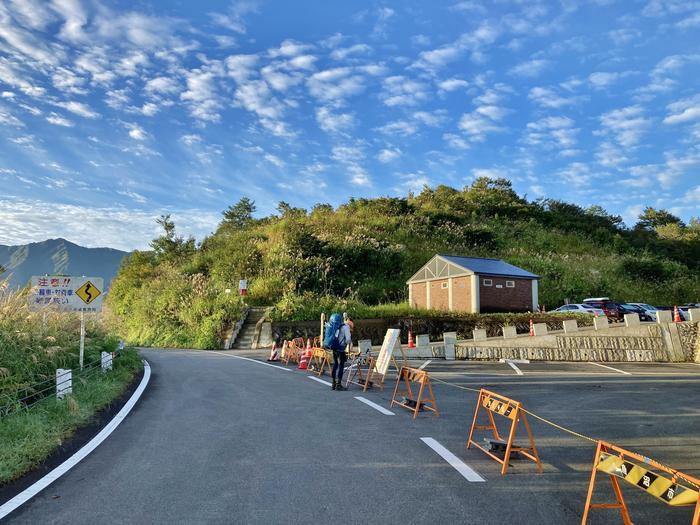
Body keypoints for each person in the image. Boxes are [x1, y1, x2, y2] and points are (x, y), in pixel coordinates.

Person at [323, 312, 352, 391]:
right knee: (341, 365)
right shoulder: (345, 327)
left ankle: (333, 383)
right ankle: (339, 384)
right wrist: (345, 343)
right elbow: (348, 339)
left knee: (335, 364)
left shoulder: (331, 325)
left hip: (334, 348)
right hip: (341, 349)